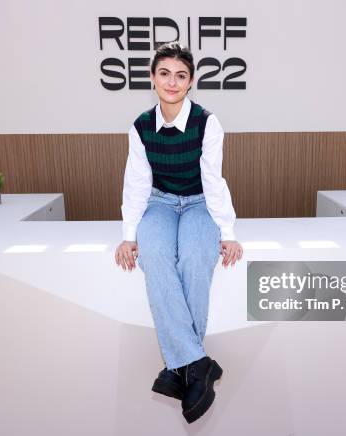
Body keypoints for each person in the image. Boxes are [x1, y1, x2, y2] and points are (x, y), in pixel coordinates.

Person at [114, 41, 243, 424]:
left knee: (194, 257)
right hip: (160, 202)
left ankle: (178, 366)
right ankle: (197, 364)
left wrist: (228, 230)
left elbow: (213, 180)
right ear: (153, 78)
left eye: (181, 75)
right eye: (165, 73)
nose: (172, 82)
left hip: (200, 201)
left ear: (191, 83)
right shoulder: (140, 126)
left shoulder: (207, 122)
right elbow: (136, 183)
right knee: (153, 256)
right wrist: (128, 233)